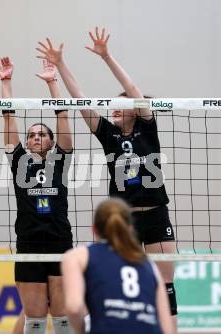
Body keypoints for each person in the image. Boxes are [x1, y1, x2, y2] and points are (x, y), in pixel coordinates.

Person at [36, 27, 178, 329]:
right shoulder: (109, 135)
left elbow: (132, 88)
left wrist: (106, 56)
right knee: (117, 278)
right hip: (122, 219)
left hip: (155, 213)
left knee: (165, 284)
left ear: (133, 109)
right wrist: (61, 64)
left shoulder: (146, 126)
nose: (113, 107)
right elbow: (81, 99)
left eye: (120, 103)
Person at [0, 56, 73, 334]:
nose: (35, 137)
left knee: (63, 318)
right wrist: (6, 83)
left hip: (59, 241)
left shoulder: (61, 161)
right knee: (35, 320)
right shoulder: (19, 162)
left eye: (42, 134)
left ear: (52, 142)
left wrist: (53, 82)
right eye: (31, 135)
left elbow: (63, 115)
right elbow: (8, 117)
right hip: (29, 243)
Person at [61, 198, 174, 334]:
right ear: (131, 228)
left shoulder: (78, 256)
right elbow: (167, 329)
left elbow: (74, 307)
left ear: (94, 229)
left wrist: (80, 331)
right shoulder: (149, 264)